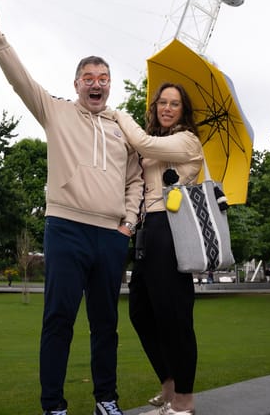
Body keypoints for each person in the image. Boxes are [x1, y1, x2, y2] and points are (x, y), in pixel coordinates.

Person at [0, 6, 144, 415]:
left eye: (103, 79)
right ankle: (53, 405)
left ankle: (106, 400)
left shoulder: (123, 125)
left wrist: (129, 223)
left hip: (111, 236)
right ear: (76, 84)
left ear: (110, 86)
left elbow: (136, 180)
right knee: (58, 320)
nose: (96, 84)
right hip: (66, 228)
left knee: (106, 325)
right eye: (89, 78)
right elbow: (22, 82)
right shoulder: (55, 111)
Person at [110, 83, 204, 415]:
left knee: (175, 317)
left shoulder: (187, 140)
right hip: (148, 230)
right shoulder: (158, 144)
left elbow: (143, 143)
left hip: (171, 228)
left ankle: (184, 401)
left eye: (174, 104)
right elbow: (140, 154)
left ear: (183, 110)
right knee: (141, 312)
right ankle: (169, 384)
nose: (166, 108)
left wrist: (119, 114)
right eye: (162, 102)